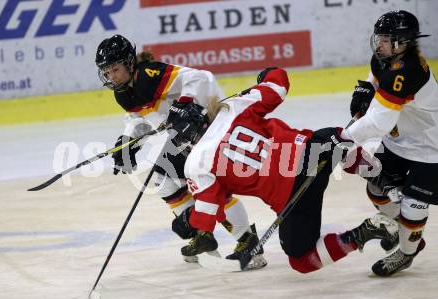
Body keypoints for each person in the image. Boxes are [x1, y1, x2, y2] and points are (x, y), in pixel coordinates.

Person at [165, 66, 398, 273]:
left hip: (292, 197)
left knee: (303, 261)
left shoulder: (196, 164)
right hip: (310, 152)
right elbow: (279, 83)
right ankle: (385, 179)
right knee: (337, 140)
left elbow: (204, 220)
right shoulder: (234, 107)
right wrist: (265, 75)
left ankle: (362, 233)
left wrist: (186, 223)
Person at [95, 34, 266, 268]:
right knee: (163, 178)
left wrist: (186, 102)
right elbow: (140, 118)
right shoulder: (123, 93)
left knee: (209, 184)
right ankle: (202, 235)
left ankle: (247, 243)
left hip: (211, 125)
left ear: (128, 63)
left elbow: (201, 78)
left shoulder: (149, 75)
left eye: (114, 69)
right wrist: (128, 142)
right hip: (186, 135)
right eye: (107, 72)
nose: (111, 76)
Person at [342, 10, 437, 276]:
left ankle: (407, 252)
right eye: (380, 37)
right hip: (400, 141)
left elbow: (377, 123)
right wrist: (366, 87)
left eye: (387, 39)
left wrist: (344, 138)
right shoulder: (388, 59)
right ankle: (403, 231)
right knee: (376, 186)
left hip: (431, 149)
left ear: (404, 42)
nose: (379, 44)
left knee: (413, 205)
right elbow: (376, 74)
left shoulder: (407, 71)